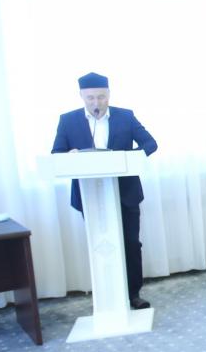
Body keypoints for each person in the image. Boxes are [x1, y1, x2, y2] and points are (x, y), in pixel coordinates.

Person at [52, 72, 158, 310]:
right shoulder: (68, 120)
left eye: (101, 97)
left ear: (109, 94)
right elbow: (57, 153)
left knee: (131, 244)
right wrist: (69, 156)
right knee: (101, 245)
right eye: (90, 98)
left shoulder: (125, 116)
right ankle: (107, 296)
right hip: (90, 196)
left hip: (126, 193)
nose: (96, 103)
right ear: (81, 96)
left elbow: (150, 144)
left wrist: (125, 158)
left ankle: (133, 294)